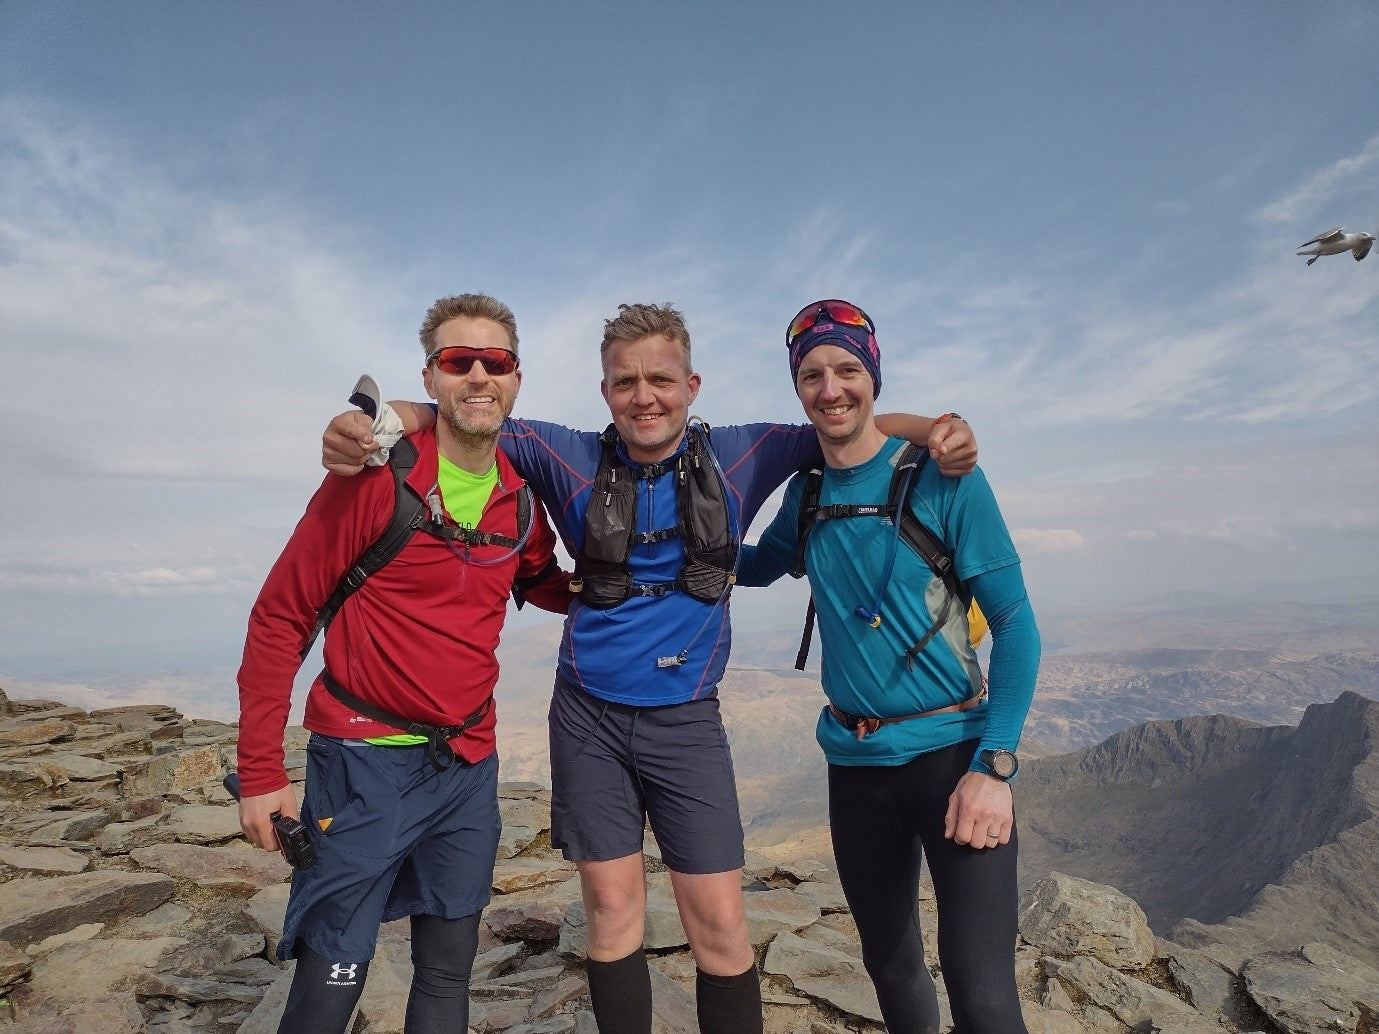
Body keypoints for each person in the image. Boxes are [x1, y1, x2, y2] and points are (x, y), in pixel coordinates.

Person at [321, 302, 978, 1034]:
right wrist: (377, 421)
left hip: (686, 719)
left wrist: (935, 429)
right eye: (625, 381)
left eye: (660, 379)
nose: (644, 396)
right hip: (587, 717)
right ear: (605, 392)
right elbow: (469, 412)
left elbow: (847, 424)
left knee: (721, 928)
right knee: (609, 913)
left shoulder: (743, 452)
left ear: (691, 385)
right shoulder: (565, 454)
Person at [237, 293, 570, 1034]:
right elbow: (280, 617)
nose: (478, 375)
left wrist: (629, 586)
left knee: (448, 974)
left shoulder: (518, 502)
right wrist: (260, 772)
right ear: (432, 376)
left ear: (517, 378)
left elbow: (543, 583)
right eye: (459, 361)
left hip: (466, 765)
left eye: (496, 361)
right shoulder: (373, 481)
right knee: (333, 974)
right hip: (363, 766)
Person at [735, 299, 1040, 1034]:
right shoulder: (806, 493)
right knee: (891, 966)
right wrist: (663, 548)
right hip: (855, 764)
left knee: (982, 993)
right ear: (797, 386)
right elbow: (757, 567)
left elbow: (1016, 626)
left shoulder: (944, 477)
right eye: (811, 374)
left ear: (873, 378)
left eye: (847, 369)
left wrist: (994, 767)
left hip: (953, 759)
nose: (830, 388)